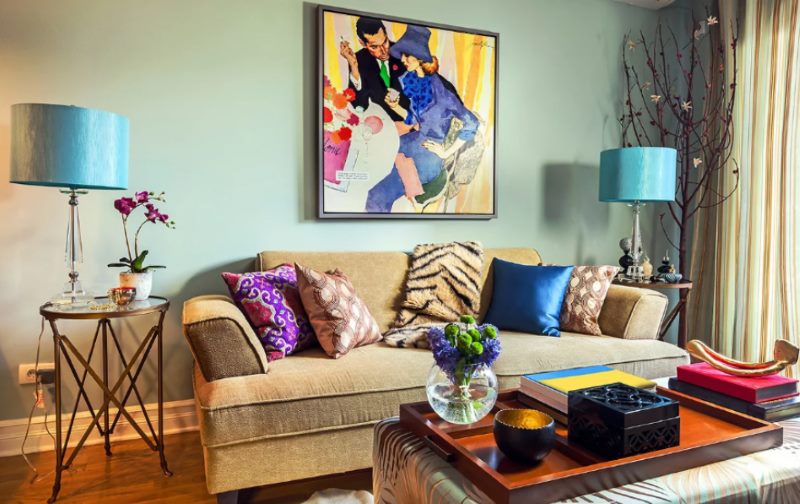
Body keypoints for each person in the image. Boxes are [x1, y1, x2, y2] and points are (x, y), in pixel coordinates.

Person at [365, 25, 479, 213]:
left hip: (428, 157)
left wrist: (446, 152)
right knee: (373, 162)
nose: (402, 59)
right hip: (413, 142)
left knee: (377, 195)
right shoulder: (413, 80)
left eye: (406, 55)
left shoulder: (442, 91)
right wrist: (396, 107)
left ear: (419, 58)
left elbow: (472, 123)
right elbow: (414, 119)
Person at [340, 17, 409, 122]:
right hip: (384, 125)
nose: (383, 51)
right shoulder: (359, 60)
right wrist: (354, 66)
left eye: (385, 42)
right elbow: (360, 106)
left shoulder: (404, 53)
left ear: (386, 35)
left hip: (412, 121)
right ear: (363, 44)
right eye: (374, 47)